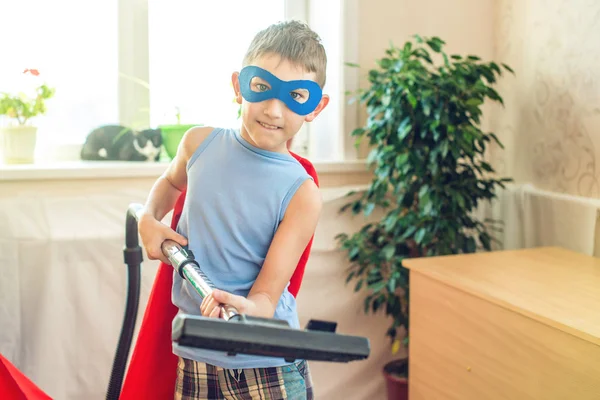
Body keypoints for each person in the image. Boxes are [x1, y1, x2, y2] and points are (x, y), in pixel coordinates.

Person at [138, 20, 329, 400]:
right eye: (262, 88)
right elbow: (169, 184)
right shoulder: (198, 144)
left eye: (295, 96)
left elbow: (267, 296)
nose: (274, 110)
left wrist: (244, 306)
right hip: (195, 355)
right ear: (239, 85)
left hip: (266, 362)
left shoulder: (303, 194)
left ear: (316, 106)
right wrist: (148, 217)